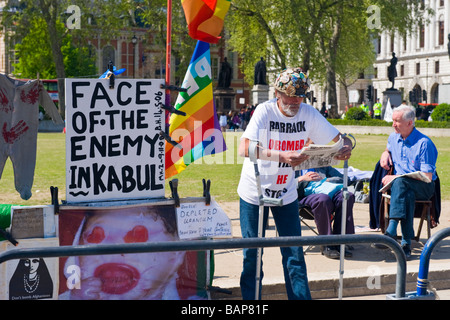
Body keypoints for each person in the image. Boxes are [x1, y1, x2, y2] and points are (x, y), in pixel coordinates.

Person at [237, 67, 352, 300]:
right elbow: (243, 148)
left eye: (299, 96)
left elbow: (339, 139)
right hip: (255, 190)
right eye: (289, 96)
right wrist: (282, 156)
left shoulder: (308, 113)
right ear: (277, 93)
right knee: (252, 253)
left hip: (286, 191)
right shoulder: (264, 111)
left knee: (294, 254)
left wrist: (346, 146)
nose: (295, 101)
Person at [379, 105, 438, 259]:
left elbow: (427, 176)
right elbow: (388, 148)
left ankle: (391, 230)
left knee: (400, 183)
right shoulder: (393, 137)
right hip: (404, 190)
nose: (393, 124)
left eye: (397, 121)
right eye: (393, 120)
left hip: (424, 185)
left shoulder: (424, 143)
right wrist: (385, 153)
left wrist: (398, 178)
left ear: (410, 123)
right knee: (406, 193)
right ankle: (406, 244)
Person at [297, 166, 355, 259]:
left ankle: (341, 241)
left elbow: (345, 180)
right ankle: (326, 243)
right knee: (323, 199)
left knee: (347, 197)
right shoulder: (291, 165)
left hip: (326, 192)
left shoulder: (321, 165)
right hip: (302, 197)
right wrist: (301, 179)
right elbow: (283, 185)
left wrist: (325, 179)